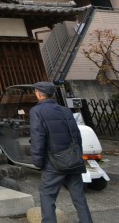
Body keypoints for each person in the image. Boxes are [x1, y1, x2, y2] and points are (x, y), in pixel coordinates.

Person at [29, 81, 92, 223]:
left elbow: (38, 137)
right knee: (79, 197)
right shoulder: (65, 110)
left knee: (47, 195)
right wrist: (78, 156)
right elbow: (76, 135)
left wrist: (38, 162)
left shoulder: (36, 111)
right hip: (73, 159)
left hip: (53, 161)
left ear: (39, 94)